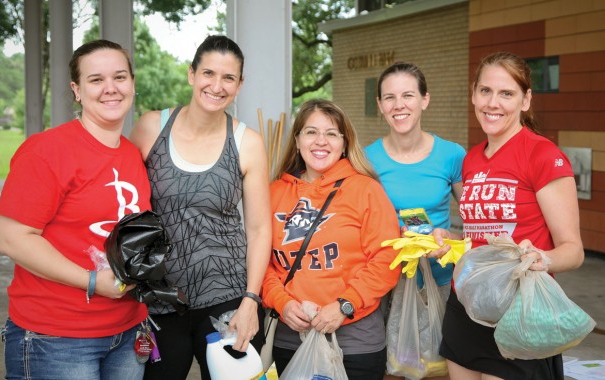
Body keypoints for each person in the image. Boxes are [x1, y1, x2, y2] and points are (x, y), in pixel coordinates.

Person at [0, 39, 150, 379]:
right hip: (58, 337)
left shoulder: (132, 154)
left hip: (128, 332)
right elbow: (12, 239)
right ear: (77, 91)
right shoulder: (47, 150)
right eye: (96, 80)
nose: (110, 88)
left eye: (120, 77)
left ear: (132, 84)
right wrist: (92, 281)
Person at [130, 35, 271, 380]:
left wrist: (251, 301)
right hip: (160, 298)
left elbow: (258, 228)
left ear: (239, 84)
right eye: (208, 73)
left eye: (228, 78)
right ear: (192, 74)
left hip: (227, 299)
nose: (217, 86)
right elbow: (127, 208)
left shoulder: (247, 143)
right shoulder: (152, 127)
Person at [435, 51, 584, 379]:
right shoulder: (472, 159)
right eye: (486, 91)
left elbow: (573, 250)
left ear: (526, 100)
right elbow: (484, 235)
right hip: (467, 305)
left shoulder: (543, 155)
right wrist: (455, 239)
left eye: (507, 93)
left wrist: (543, 259)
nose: (493, 103)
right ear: (474, 94)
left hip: (519, 311)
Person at [262, 99, 401, 380]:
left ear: (344, 142)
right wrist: (281, 302)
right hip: (290, 340)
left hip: (355, 343)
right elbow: (260, 261)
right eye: (311, 132)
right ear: (298, 139)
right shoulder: (275, 191)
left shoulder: (366, 190)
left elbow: (387, 259)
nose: (320, 141)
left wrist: (344, 305)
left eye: (331, 133)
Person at [365, 61, 465, 380]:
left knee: (440, 368)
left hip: (440, 281)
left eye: (408, 95)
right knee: (392, 369)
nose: (399, 105)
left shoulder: (452, 155)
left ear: (425, 99)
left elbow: (476, 219)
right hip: (386, 284)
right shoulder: (365, 159)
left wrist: (450, 237)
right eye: (389, 98)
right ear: (380, 105)